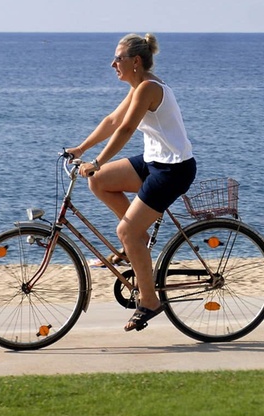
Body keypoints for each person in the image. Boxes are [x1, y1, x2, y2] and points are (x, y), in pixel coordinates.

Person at [66, 33, 197, 331]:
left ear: (135, 61)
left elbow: (125, 129)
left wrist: (96, 160)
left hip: (173, 170)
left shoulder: (149, 88)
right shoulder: (140, 85)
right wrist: (81, 149)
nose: (113, 64)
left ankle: (150, 301)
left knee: (125, 230)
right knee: (98, 182)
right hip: (154, 161)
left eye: (118, 58)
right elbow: (113, 120)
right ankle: (135, 242)